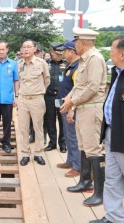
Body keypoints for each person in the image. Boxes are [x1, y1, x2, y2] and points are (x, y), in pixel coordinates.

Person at [60, 27, 107, 207]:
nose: (75, 45)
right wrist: (70, 98)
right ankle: (85, 180)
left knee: (94, 149)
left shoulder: (95, 59)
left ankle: (99, 192)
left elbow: (93, 87)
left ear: (82, 43)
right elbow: (79, 84)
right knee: (84, 146)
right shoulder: (84, 60)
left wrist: (73, 101)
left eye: (77, 42)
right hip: (82, 107)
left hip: (91, 108)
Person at [89, 35, 124, 223]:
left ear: (122, 54)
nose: (110, 53)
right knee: (112, 179)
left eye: (112, 49)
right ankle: (114, 218)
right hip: (111, 132)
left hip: (122, 137)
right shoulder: (117, 72)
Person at [17, 39, 50, 166]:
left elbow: (47, 80)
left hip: (37, 99)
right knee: (24, 128)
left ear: (35, 49)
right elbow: (17, 81)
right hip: (23, 99)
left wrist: (39, 91)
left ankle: (38, 153)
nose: (25, 49)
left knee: (38, 127)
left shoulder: (42, 63)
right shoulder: (19, 64)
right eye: (23, 47)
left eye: (28, 47)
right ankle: (25, 153)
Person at [56, 41, 81, 177]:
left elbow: (78, 90)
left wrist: (72, 109)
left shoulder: (78, 67)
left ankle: (77, 166)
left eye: (65, 51)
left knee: (73, 137)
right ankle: (70, 161)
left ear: (71, 51)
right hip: (64, 106)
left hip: (71, 107)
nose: (63, 54)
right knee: (67, 135)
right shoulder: (71, 66)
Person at [44, 42, 67, 153]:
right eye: (56, 53)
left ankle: (62, 143)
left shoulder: (67, 64)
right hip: (48, 96)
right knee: (50, 120)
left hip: (61, 97)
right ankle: (52, 143)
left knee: (62, 120)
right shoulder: (45, 63)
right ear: (51, 52)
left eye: (60, 53)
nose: (59, 56)